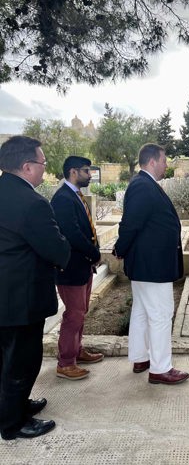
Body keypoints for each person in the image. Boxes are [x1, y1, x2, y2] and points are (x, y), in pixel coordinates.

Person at [0, 136, 71, 440]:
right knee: (23, 362)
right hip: (22, 299)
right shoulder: (32, 203)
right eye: (42, 163)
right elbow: (57, 251)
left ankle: (15, 406)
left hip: (6, 295)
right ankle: (13, 424)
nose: (45, 169)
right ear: (27, 166)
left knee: (6, 358)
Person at [114, 144, 189, 385]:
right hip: (152, 265)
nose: (167, 164)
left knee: (143, 311)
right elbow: (130, 224)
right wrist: (120, 248)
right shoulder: (142, 186)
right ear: (152, 161)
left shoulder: (144, 185)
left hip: (147, 263)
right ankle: (161, 368)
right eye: (164, 160)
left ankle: (141, 357)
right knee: (160, 314)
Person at [51, 156, 103, 381]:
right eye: (85, 171)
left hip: (82, 265)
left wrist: (93, 251)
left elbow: (86, 230)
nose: (89, 175)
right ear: (73, 172)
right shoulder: (63, 198)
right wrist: (94, 253)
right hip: (71, 268)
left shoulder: (74, 196)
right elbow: (71, 234)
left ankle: (76, 350)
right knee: (74, 315)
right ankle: (65, 362)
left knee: (81, 313)